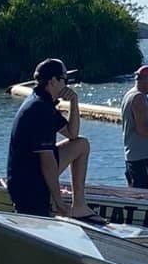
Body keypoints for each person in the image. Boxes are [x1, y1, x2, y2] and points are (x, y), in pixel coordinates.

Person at [7, 59, 91, 217]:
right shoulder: (40, 109)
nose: (67, 85)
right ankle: (60, 206)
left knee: (81, 144)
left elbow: (72, 134)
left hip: (30, 172)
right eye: (65, 80)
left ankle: (79, 205)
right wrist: (59, 201)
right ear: (53, 81)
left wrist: (74, 102)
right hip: (28, 184)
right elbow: (47, 160)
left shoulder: (43, 102)